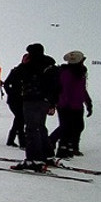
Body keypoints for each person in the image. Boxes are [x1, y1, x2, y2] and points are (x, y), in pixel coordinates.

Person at [12, 43, 59, 172]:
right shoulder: (50, 66)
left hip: (31, 99)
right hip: (45, 101)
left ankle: (34, 159)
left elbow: (14, 77)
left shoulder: (29, 66)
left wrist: (23, 64)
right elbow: (57, 86)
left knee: (32, 129)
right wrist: (53, 103)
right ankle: (48, 155)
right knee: (41, 127)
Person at [52, 50, 93, 158]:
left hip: (76, 105)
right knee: (66, 127)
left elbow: (82, 90)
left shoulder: (80, 73)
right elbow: (65, 90)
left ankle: (71, 147)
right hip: (66, 105)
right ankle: (62, 149)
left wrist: (88, 102)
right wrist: (65, 104)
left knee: (77, 126)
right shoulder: (67, 73)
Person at [3, 54, 28, 147]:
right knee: (20, 119)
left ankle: (12, 139)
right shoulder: (16, 71)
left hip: (22, 99)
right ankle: (21, 141)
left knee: (19, 119)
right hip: (15, 100)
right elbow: (6, 84)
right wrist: (12, 93)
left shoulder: (26, 71)